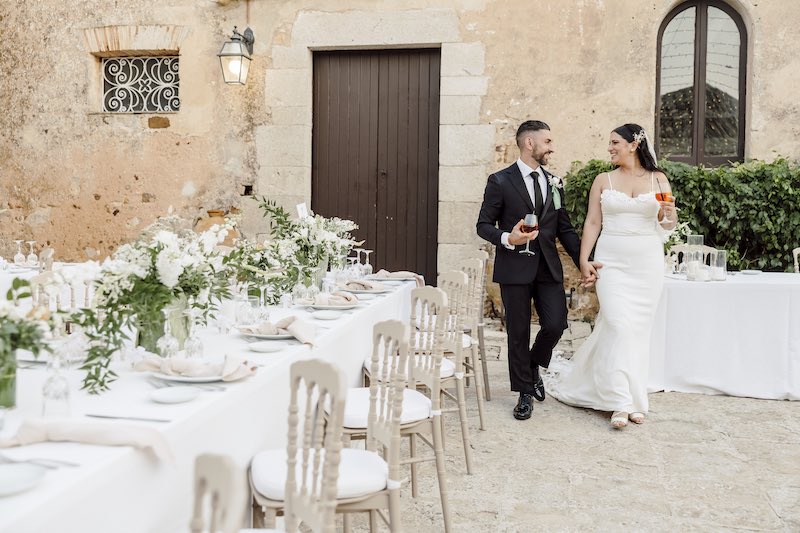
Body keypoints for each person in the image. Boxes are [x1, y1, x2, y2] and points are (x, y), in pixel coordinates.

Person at [547, 123, 677, 429]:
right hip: (611, 263)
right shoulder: (602, 180)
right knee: (618, 325)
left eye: (615, 142)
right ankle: (619, 401)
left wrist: (666, 214)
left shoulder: (659, 179)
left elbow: (668, 223)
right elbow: (593, 222)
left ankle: (634, 400)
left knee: (636, 331)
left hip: (647, 264)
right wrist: (584, 260)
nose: (610, 148)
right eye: (610, 143)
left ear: (633, 144)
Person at [476, 120, 593, 420]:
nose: (552, 148)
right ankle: (524, 393)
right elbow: (483, 226)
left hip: (547, 267)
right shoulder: (500, 181)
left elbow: (564, 229)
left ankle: (532, 365)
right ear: (530, 143)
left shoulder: (554, 182)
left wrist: (584, 259)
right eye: (548, 142)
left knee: (556, 324)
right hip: (514, 267)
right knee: (517, 332)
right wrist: (508, 238)